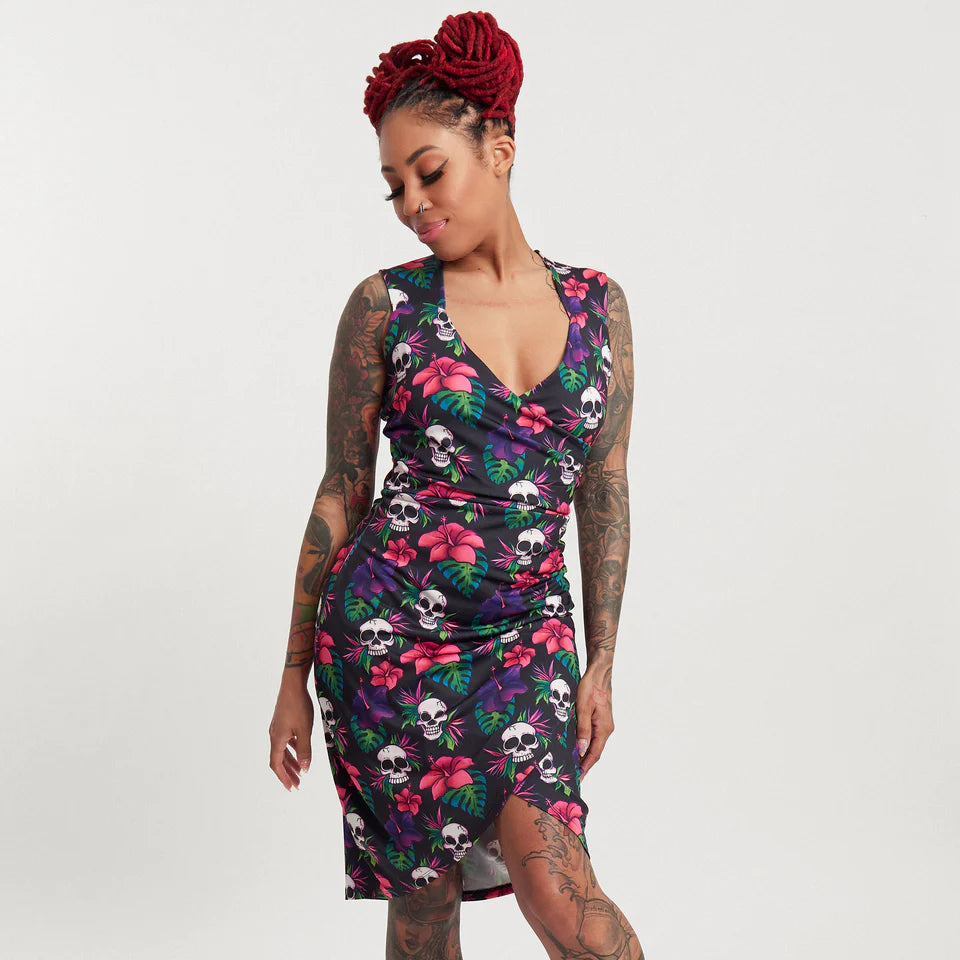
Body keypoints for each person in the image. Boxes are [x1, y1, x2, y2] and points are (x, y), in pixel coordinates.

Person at [269, 10, 642, 958]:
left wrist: (602, 660)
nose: (411, 203)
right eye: (394, 185)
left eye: (429, 172)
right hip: (387, 644)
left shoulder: (597, 305)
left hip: (526, 639)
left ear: (499, 149)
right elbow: (341, 491)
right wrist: (291, 678)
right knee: (424, 915)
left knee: (564, 900)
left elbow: (603, 487)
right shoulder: (385, 307)